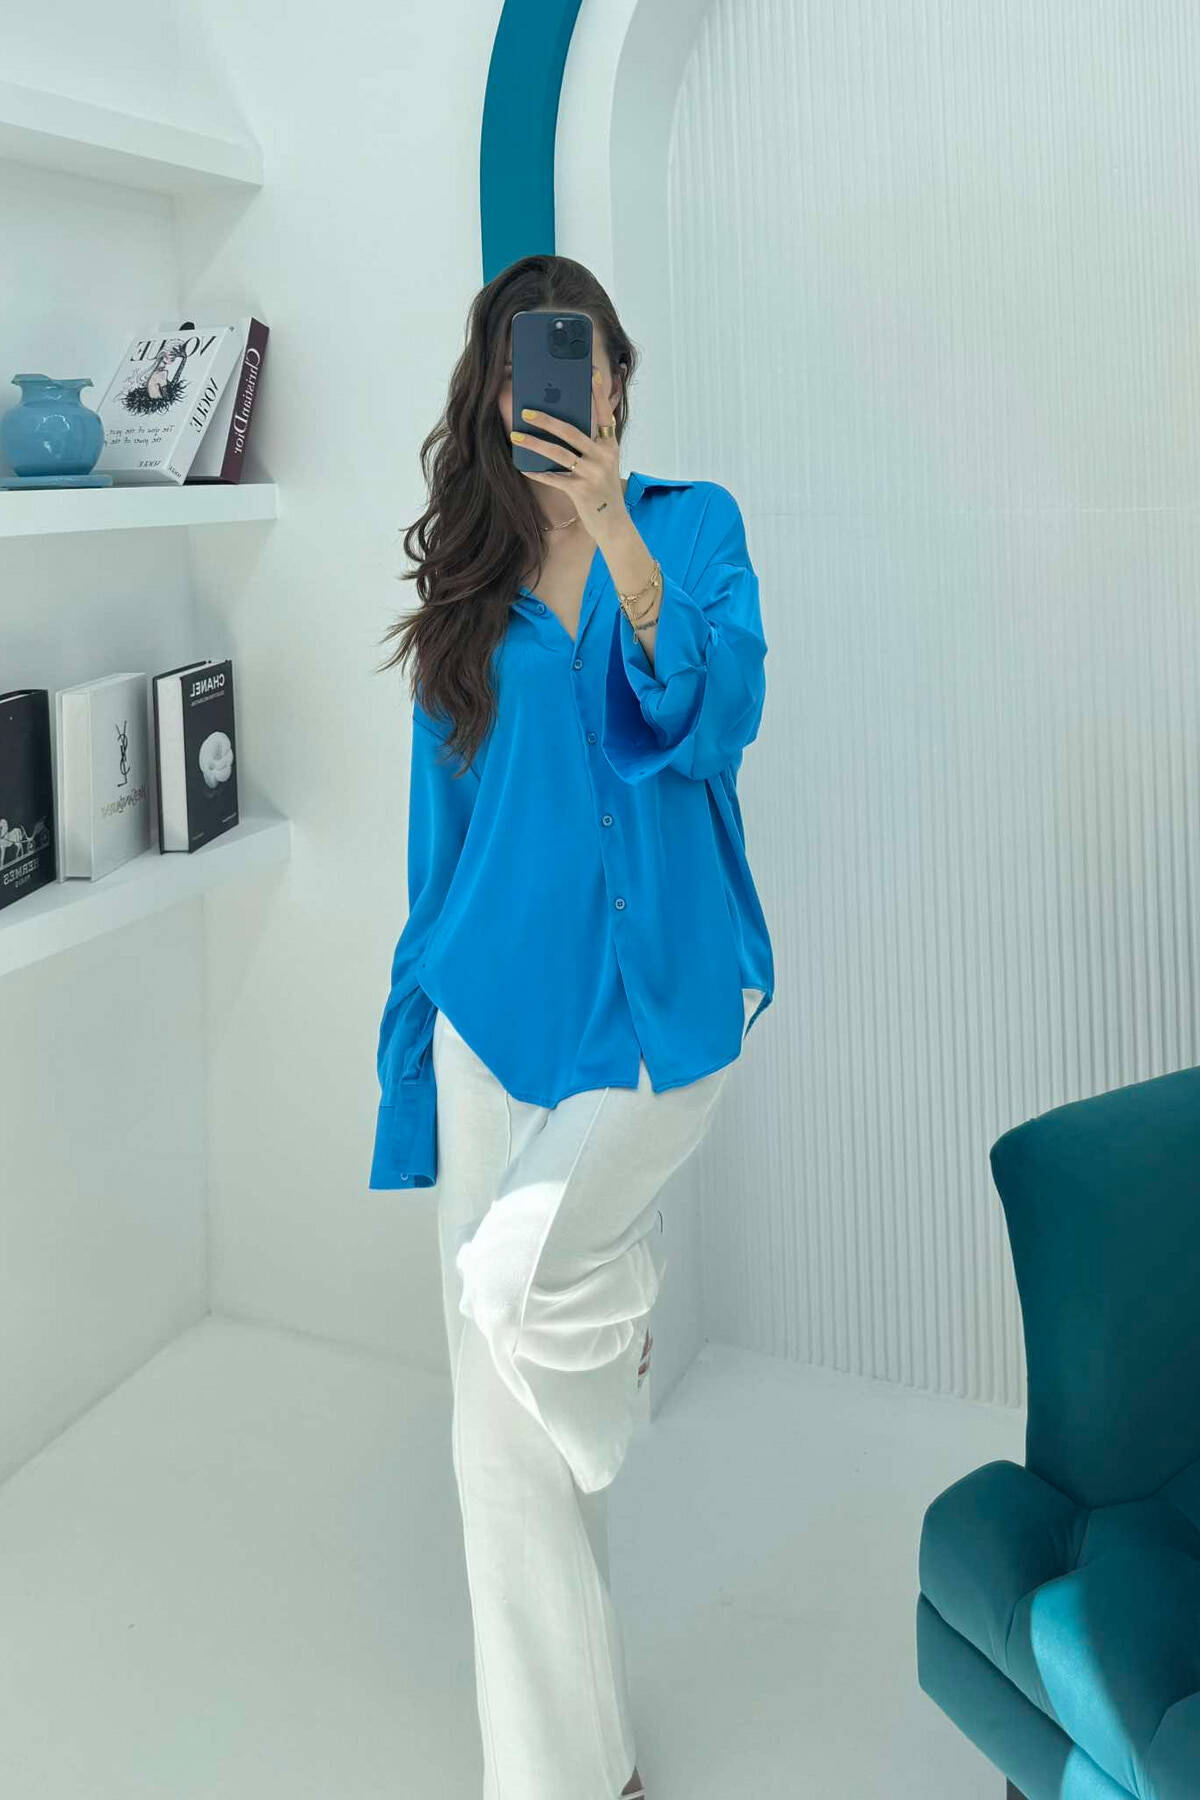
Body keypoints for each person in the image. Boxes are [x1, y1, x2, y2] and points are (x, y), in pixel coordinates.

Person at [370, 254, 774, 1800]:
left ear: (616, 377)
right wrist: (409, 1072)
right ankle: (566, 1774)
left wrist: (613, 531)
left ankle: (610, 1331)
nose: (560, 380)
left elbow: (718, 722)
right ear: (496, 393)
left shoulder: (692, 525)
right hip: (492, 1017)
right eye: (528, 360)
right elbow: (441, 856)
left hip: (664, 1009)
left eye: (583, 352)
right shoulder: (466, 595)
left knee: (509, 1294)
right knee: (498, 1441)